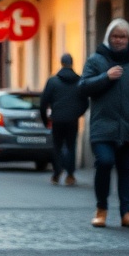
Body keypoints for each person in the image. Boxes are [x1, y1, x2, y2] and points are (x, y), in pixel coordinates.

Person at [79, 18, 129, 229]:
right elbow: (83, 86)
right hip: (102, 126)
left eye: (123, 36)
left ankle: (127, 213)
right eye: (115, 36)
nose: (119, 40)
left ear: (128, 38)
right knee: (104, 162)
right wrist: (106, 77)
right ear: (108, 38)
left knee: (126, 169)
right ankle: (101, 209)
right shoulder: (96, 61)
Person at [39, 53, 88, 186]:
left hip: (57, 119)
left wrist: (45, 119)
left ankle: (56, 173)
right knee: (71, 145)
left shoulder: (53, 81)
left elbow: (43, 102)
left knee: (57, 146)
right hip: (72, 119)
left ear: (61, 63)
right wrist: (77, 113)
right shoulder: (79, 80)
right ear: (72, 63)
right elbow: (85, 102)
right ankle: (70, 175)